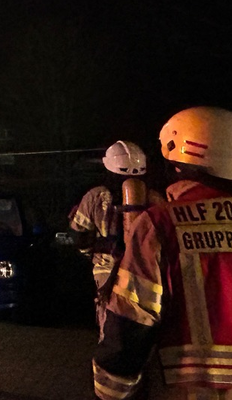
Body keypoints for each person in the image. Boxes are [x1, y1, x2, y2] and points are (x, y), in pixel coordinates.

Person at [94, 107, 232, 399]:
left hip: (191, 390)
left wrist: (110, 388)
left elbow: (132, 320)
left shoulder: (162, 223)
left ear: (178, 161)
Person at [69, 140, 159, 341]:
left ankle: (111, 365)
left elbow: (79, 233)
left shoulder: (95, 196)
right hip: (146, 270)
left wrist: (91, 253)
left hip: (107, 270)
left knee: (110, 322)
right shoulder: (152, 197)